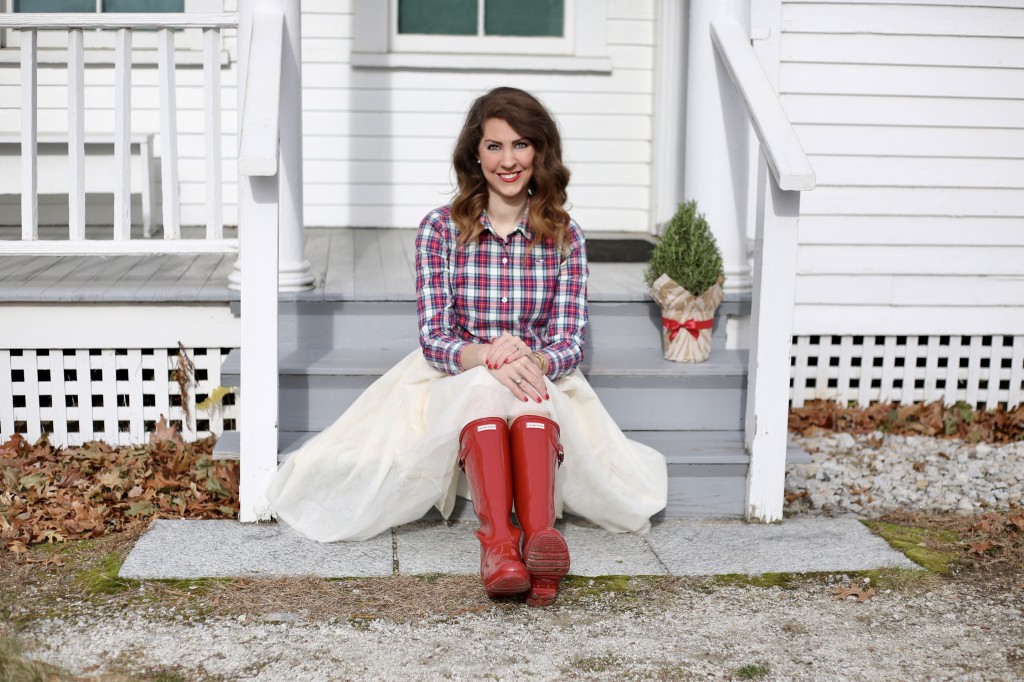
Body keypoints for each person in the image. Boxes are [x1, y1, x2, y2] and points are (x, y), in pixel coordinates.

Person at [266, 87, 667, 607]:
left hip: (534, 375)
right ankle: (507, 542)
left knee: (525, 391)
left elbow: (568, 339)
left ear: (539, 153)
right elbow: (435, 338)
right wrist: (488, 356)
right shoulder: (440, 228)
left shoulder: (565, 236)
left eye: (521, 145)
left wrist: (533, 359)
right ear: (474, 155)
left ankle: (526, 543)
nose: (508, 160)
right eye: (495, 146)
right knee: (484, 387)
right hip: (454, 373)